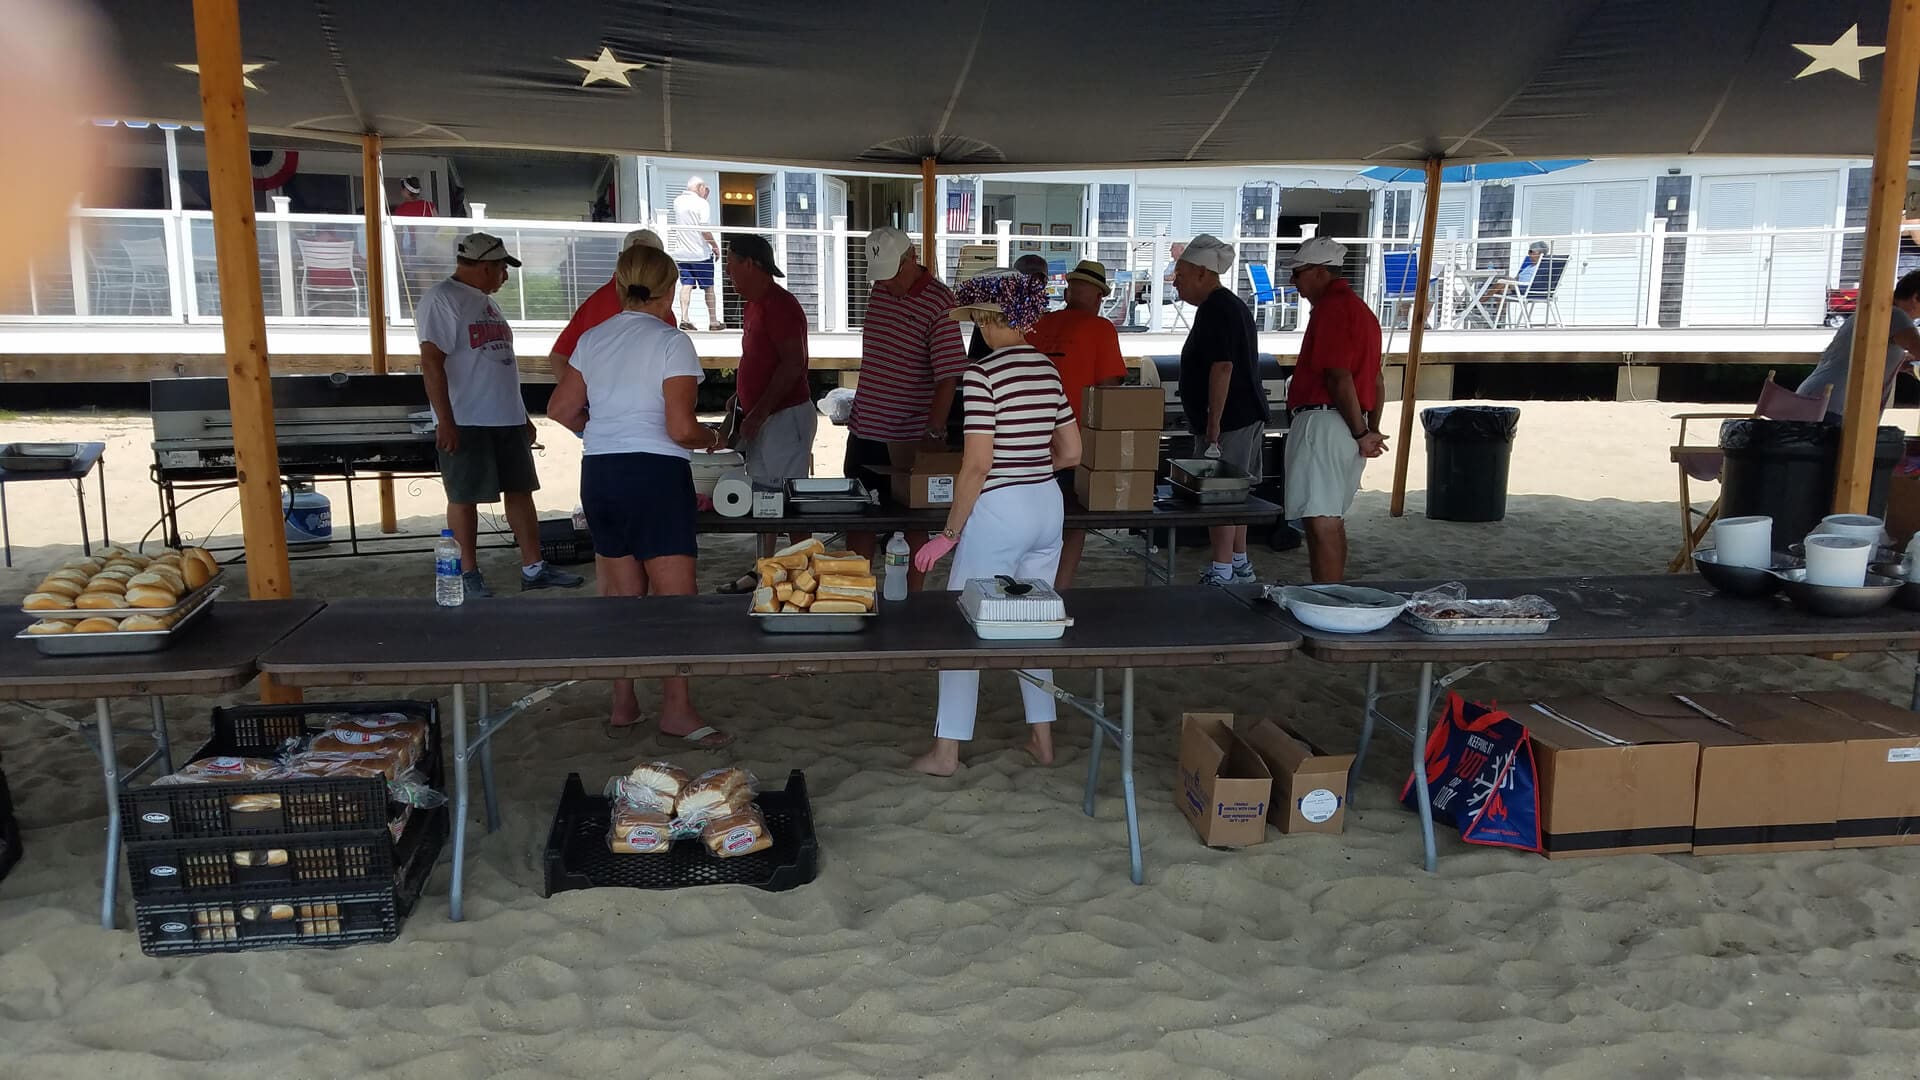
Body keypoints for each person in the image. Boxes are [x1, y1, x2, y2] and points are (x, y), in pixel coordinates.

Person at [545, 244, 732, 747]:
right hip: (655, 475)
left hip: (601, 472)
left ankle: (623, 703)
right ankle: (676, 710)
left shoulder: (592, 338)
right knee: (675, 603)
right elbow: (680, 428)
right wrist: (714, 439)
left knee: (620, 598)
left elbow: (560, 409)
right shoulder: (672, 342)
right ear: (670, 289)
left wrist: (602, 432)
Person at [909, 270, 1080, 776]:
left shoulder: (983, 375)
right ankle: (1042, 739)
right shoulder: (1049, 371)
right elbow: (1071, 452)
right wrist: (1030, 470)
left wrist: (947, 535)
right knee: (1038, 622)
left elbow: (977, 466)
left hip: (999, 509)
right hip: (1047, 505)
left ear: (985, 319)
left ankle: (947, 752)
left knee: (963, 626)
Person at [415, 232, 585, 598]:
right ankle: (467, 573)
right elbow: (431, 363)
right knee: (464, 496)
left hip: (504, 415)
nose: (505, 277)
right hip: (467, 417)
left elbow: (498, 364)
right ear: (485, 265)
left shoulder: (484, 302)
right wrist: (445, 420)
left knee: (521, 490)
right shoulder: (443, 299)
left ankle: (534, 566)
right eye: (502, 269)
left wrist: (521, 414)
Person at [844, 225, 968, 586]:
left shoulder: (940, 302)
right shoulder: (879, 290)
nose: (888, 283)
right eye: (881, 276)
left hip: (909, 435)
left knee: (913, 522)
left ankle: (913, 601)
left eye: (894, 274)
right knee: (859, 520)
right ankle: (856, 594)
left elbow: (948, 375)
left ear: (913, 259)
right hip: (865, 426)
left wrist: (933, 431)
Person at [1284, 236, 1387, 583]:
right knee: (1331, 518)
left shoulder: (1332, 309)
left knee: (1321, 519)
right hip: (1347, 424)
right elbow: (1375, 381)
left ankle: (1327, 598)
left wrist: (1362, 432)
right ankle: (1331, 591)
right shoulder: (1362, 311)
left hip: (1326, 421)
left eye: (1297, 273)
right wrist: (1368, 428)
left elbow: (1337, 376)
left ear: (1318, 272)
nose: (1293, 281)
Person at [718, 234, 818, 592]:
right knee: (765, 497)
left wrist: (759, 411)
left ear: (750, 263)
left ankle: (798, 573)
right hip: (764, 413)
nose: (728, 274)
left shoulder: (780, 304)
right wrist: (739, 396)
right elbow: (760, 360)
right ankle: (766, 568)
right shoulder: (754, 304)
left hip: (785, 415)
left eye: (731, 266)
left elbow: (794, 364)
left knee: (785, 500)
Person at [1173, 233, 1270, 585]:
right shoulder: (1225, 306)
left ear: (1202, 273)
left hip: (1230, 419)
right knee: (1235, 495)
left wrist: (1213, 423)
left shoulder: (1218, 308)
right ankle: (1238, 564)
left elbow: (1222, 367)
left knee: (1221, 496)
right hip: (1236, 416)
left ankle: (1223, 569)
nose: (1175, 282)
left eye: (1181, 275)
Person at [1027, 258, 1126, 587]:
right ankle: (1059, 590)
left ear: (1069, 290)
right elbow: (1110, 390)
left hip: (1027, 438)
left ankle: (1021, 587)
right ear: (1099, 296)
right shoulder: (1102, 329)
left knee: (1032, 521)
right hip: (1075, 442)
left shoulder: (1039, 324)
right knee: (1073, 523)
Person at [1798, 269, 1920, 423]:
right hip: (1835, 404)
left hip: (1815, 396)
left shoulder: (1871, 314)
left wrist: (1900, 363)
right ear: (1915, 298)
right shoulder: (1896, 315)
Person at [548, 228, 664, 381]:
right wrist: (580, 398)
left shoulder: (662, 306)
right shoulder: (596, 303)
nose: (640, 266)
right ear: (620, 258)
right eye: (634, 259)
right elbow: (559, 356)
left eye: (649, 260)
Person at [967, 253, 1051, 360]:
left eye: (1040, 281)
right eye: (1029, 281)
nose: (1035, 286)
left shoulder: (1050, 319)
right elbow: (975, 357)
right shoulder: (991, 315)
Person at [670, 176, 722, 331]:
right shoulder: (702, 204)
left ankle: (684, 318)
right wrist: (715, 246)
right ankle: (713, 321)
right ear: (700, 188)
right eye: (705, 188)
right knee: (709, 287)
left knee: (686, 284)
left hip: (682, 253)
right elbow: (704, 229)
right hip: (700, 253)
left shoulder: (677, 201)